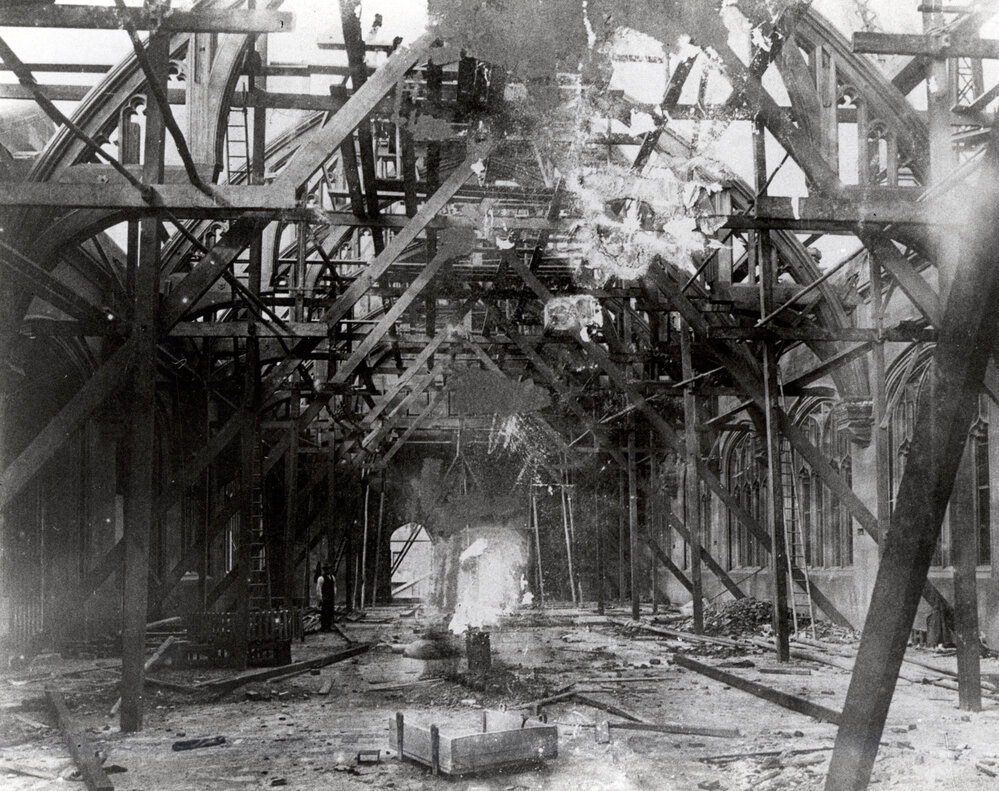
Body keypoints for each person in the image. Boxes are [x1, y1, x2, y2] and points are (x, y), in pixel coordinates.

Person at [317, 565, 336, 632]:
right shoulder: (321, 578)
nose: (328, 571)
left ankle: (329, 626)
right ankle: (324, 627)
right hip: (325, 598)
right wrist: (320, 598)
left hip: (331, 597)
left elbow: (334, 587)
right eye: (326, 570)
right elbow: (318, 589)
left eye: (329, 569)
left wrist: (334, 594)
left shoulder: (332, 577)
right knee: (325, 612)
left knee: (330, 612)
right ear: (324, 570)